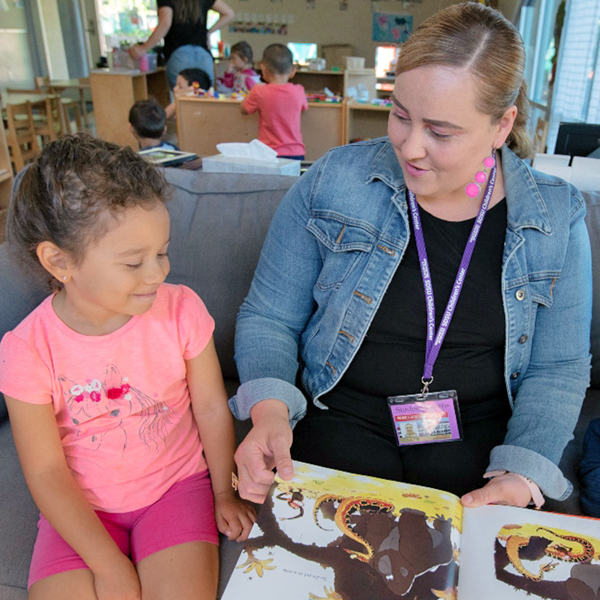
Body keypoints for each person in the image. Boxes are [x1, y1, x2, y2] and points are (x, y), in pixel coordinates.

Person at [230, 3, 592, 511]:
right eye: (400, 114)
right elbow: (269, 316)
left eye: (441, 132)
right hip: (341, 418)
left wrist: (523, 471)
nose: (410, 147)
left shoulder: (555, 216)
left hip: (480, 445)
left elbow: (558, 367)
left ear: (501, 125)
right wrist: (268, 413)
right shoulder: (336, 179)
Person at [0, 133, 255, 599]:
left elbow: (213, 410)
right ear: (59, 262)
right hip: (79, 513)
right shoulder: (26, 348)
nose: (158, 273)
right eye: (134, 262)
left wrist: (224, 491)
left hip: (175, 491)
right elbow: (46, 473)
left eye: (161, 252)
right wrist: (109, 566)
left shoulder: (181, 309)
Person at [129, 0, 235, 89]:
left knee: (181, 105)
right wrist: (208, 32)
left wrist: (144, 48)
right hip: (203, 56)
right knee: (205, 103)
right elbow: (229, 13)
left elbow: (165, 23)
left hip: (179, 56)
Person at [240, 44, 308, 160]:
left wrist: (252, 91)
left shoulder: (259, 91)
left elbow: (244, 109)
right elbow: (304, 107)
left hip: (267, 153)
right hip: (295, 152)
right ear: (292, 71)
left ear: (263, 69)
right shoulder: (299, 91)